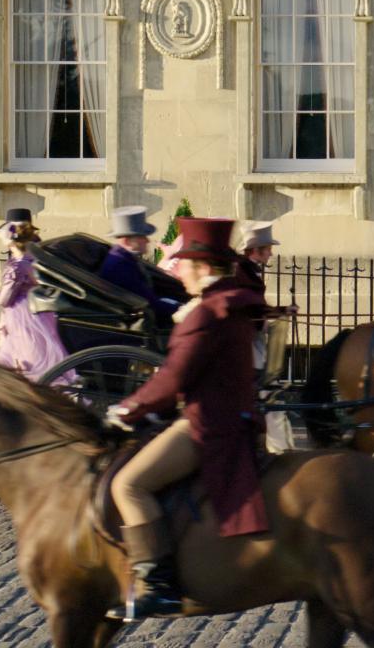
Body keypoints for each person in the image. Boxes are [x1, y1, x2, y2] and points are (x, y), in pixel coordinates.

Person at [104, 217, 271, 621]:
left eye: (182, 263)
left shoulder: (206, 313)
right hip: (236, 415)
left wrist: (128, 408)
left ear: (202, 267)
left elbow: (174, 378)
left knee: (129, 485)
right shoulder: (232, 300)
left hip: (207, 424)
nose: (176, 269)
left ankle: (158, 587)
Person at [0, 209, 75, 386]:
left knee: (21, 361)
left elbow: (4, 299)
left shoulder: (17, 266)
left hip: (23, 318)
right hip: (41, 313)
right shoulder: (38, 255)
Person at [239, 220, 295, 454]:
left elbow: (255, 307)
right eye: (268, 248)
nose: (271, 252)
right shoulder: (243, 272)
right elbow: (251, 308)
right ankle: (279, 446)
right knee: (268, 391)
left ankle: (278, 443)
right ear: (256, 250)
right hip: (247, 341)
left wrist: (280, 311)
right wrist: (281, 311)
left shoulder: (248, 270)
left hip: (254, 337)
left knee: (269, 390)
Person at [94, 206, 178, 346]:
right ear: (127, 241)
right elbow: (149, 303)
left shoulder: (123, 257)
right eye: (142, 236)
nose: (147, 240)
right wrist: (181, 310)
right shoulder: (120, 266)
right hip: (133, 325)